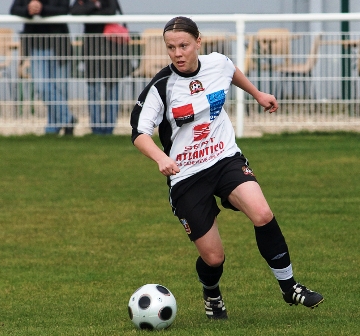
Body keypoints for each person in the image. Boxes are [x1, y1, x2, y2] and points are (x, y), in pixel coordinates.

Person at [130, 16, 324, 319]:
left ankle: (290, 287)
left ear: (198, 42)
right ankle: (212, 294)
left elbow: (231, 72)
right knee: (213, 257)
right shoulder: (161, 86)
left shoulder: (217, 63)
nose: (178, 53)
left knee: (262, 213)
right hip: (186, 177)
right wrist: (161, 158)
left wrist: (257, 94)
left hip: (225, 159)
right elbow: (139, 134)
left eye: (183, 45)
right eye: (171, 47)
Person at [10, 0, 76, 135]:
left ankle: (53, 127)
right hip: (36, 45)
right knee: (41, 86)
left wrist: (41, 9)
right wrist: (28, 9)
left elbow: (64, 9)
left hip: (59, 46)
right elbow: (15, 8)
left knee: (60, 89)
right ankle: (68, 119)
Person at [71, 0, 131, 135]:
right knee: (93, 87)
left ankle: (109, 127)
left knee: (112, 86)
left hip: (111, 47)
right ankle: (96, 128)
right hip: (91, 46)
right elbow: (74, 11)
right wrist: (94, 5)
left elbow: (110, 11)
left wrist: (88, 9)